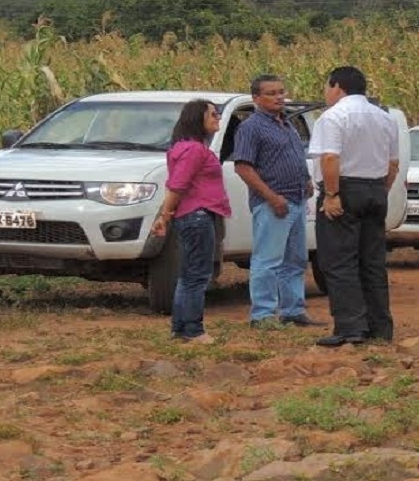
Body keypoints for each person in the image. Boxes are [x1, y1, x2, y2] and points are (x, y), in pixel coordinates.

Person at [308, 66, 400, 347]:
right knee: (372, 262)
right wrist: (380, 191)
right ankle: (379, 326)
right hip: (374, 189)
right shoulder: (384, 117)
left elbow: (330, 159)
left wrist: (332, 195)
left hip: (345, 188)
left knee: (339, 261)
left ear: (337, 86)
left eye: (328, 86)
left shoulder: (334, 116)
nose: (327, 92)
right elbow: (393, 164)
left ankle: (350, 327)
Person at [232, 74, 325, 328]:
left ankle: (293, 311)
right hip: (274, 203)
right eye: (271, 93)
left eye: (281, 92)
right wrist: (271, 197)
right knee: (268, 260)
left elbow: (294, 156)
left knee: (295, 259)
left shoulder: (287, 124)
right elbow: (243, 167)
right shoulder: (251, 127)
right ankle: (262, 315)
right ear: (256, 98)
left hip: (295, 199)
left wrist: (305, 179)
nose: (278, 97)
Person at [151, 99, 231, 344]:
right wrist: (164, 216)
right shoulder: (195, 150)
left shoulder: (183, 147)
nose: (217, 117)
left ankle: (181, 328)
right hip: (198, 214)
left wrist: (166, 215)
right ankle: (193, 330)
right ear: (198, 119)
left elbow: (174, 184)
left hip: (191, 215)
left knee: (188, 275)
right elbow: (178, 185)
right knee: (196, 275)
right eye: (212, 114)